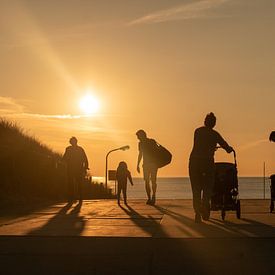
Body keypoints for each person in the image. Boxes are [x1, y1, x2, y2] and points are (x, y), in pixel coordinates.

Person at [189, 113, 233, 223]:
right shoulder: (215, 134)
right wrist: (229, 149)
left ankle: (197, 213)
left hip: (194, 161)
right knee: (208, 188)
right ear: (214, 123)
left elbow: (199, 144)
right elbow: (225, 146)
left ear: (205, 121)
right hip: (207, 162)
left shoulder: (197, 131)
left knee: (196, 189)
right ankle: (205, 208)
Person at [63, 137, 89, 202]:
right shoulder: (79, 149)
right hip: (76, 168)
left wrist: (85, 167)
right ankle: (77, 196)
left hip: (73, 168)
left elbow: (64, 158)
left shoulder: (69, 149)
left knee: (73, 183)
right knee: (77, 183)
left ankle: (73, 196)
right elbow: (85, 159)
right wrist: (85, 167)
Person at [136, 129, 158, 205]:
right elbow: (141, 154)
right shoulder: (151, 141)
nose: (137, 138)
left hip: (149, 164)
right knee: (151, 181)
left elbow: (140, 154)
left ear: (142, 135)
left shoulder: (142, 143)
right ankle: (152, 197)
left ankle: (151, 197)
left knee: (148, 181)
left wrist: (138, 165)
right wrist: (138, 164)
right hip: (152, 164)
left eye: (138, 136)